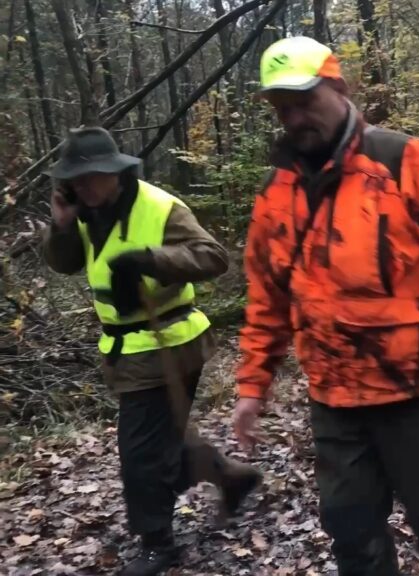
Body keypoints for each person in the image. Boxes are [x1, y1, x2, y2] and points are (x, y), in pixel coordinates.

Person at [232, 36, 419, 575]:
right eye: (282, 107)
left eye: (305, 100)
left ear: (339, 87)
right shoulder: (277, 190)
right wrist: (252, 386)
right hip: (333, 395)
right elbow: (267, 296)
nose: (295, 117)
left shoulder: (406, 160)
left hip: (417, 389)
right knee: (350, 529)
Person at [41, 126, 263, 576]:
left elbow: (213, 256)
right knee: (164, 441)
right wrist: (62, 225)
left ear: (115, 173)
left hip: (172, 342)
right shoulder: (86, 212)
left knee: (139, 451)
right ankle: (232, 478)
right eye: (75, 180)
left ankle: (157, 542)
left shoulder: (160, 207)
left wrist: (150, 258)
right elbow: (64, 264)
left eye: (90, 178)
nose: (83, 186)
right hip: (127, 348)